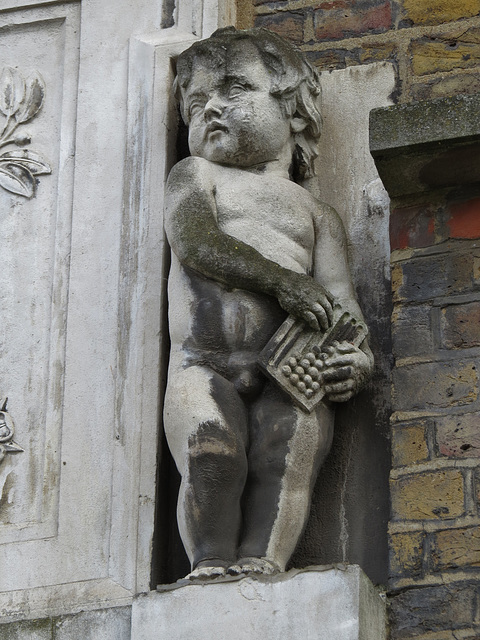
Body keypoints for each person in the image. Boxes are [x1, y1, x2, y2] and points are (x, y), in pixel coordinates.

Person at [163, 27, 373, 580]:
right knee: (212, 454)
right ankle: (209, 563)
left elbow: (342, 304)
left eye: (232, 90)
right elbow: (197, 244)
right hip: (204, 364)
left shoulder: (315, 214)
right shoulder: (196, 176)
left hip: (290, 369)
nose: (210, 108)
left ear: (294, 111)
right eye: (196, 101)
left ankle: (264, 565)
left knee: (287, 459)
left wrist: (356, 358)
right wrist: (282, 281)